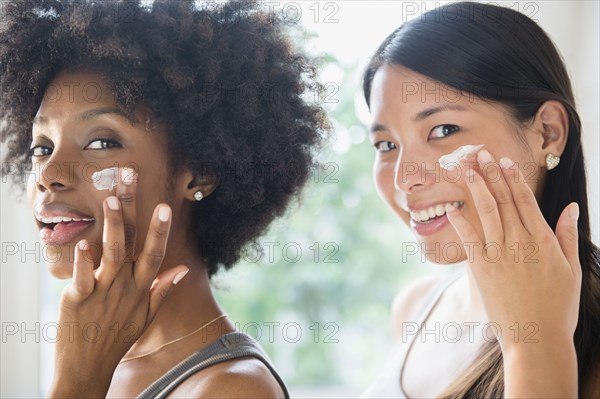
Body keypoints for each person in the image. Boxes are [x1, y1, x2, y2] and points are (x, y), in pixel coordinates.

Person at [0, 0, 327, 397]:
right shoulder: (106, 358)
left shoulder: (231, 389)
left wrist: (76, 383)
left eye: (101, 141)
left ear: (201, 172)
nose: (50, 174)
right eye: (42, 146)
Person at [360, 2, 600, 398]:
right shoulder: (415, 307)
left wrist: (534, 345)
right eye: (386, 144)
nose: (405, 179)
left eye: (443, 129)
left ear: (547, 133)